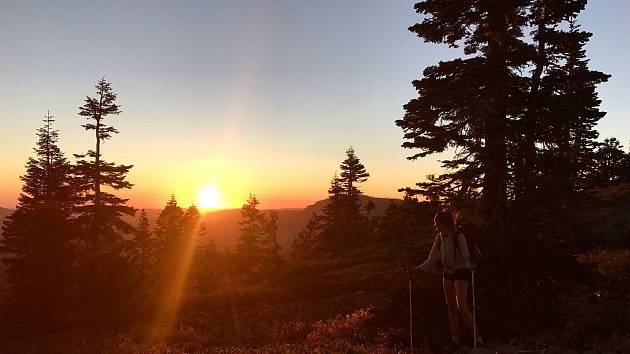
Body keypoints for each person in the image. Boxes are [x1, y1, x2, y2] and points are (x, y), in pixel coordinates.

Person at [418, 209, 483, 351]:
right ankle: (456, 340)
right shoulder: (440, 237)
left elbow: (466, 256)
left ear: (443, 223)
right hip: (447, 273)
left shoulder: (458, 236)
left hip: (461, 272)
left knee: (461, 306)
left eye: (436, 223)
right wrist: (419, 270)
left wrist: (470, 266)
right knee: (451, 308)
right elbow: (432, 258)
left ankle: (477, 338)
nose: (435, 225)